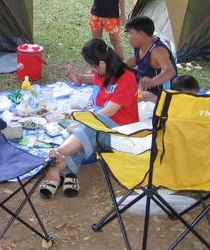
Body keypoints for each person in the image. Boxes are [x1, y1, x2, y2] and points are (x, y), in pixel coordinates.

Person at [42, 39, 139, 199]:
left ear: (101, 63)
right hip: (102, 128)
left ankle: (55, 159)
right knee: (84, 129)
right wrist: (80, 78)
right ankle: (65, 172)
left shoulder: (126, 78)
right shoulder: (102, 73)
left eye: (91, 66)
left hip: (123, 135)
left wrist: (83, 120)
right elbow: (92, 82)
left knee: (90, 125)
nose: (91, 70)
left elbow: (109, 112)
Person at [125, 16, 177, 95]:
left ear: (141, 34)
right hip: (142, 83)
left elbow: (170, 71)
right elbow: (137, 58)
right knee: (120, 75)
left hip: (159, 91)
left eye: (131, 33)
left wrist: (152, 82)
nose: (128, 36)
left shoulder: (158, 51)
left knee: (129, 98)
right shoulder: (140, 45)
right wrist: (119, 67)